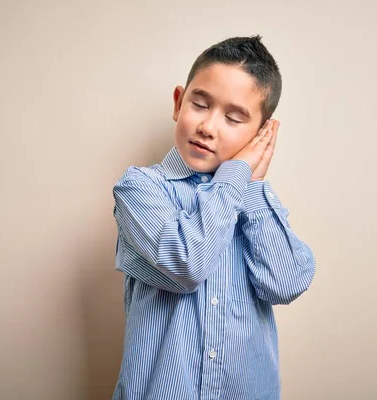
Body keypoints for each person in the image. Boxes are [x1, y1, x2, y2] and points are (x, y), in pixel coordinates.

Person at [111, 35, 316, 400]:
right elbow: (187, 264)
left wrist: (249, 186)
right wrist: (236, 175)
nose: (208, 126)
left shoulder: (255, 204)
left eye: (234, 118)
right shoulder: (140, 189)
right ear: (178, 102)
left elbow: (286, 283)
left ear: (261, 134)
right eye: (200, 104)